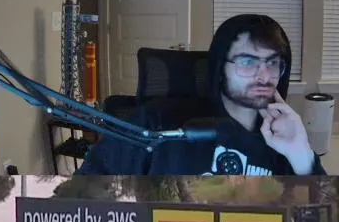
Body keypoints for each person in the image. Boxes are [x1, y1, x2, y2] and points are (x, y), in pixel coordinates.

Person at [77, 13, 326, 177]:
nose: (264, 76)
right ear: (220, 68)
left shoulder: (282, 138)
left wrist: (302, 155)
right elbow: (86, 190)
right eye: (248, 62)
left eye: (272, 63)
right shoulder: (159, 124)